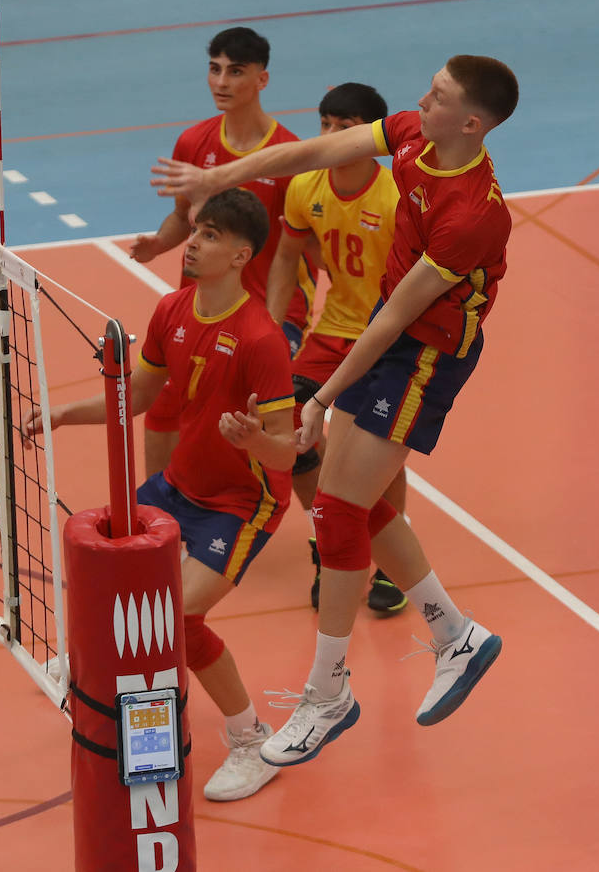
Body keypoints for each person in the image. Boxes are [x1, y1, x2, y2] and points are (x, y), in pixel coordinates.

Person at [152, 55, 517, 765]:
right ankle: (454, 635)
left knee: (338, 508)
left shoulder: (471, 215)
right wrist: (223, 176)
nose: (419, 99)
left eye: (436, 95)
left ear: (470, 122)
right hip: (396, 326)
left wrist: (318, 397)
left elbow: (397, 319)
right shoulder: (415, 133)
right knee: (348, 495)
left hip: (427, 351)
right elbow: (317, 150)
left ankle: (329, 692)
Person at [27, 188, 296, 803]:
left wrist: (256, 440)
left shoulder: (261, 339)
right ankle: (100, 676)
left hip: (239, 503)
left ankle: (252, 740)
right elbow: (139, 398)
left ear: (240, 254)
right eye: (195, 231)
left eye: (208, 236)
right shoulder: (173, 309)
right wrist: (65, 412)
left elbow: (289, 453)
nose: (193, 244)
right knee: (106, 580)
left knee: (178, 618)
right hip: (178, 485)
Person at [129, 27, 314, 480]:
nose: (221, 82)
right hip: (204, 306)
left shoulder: (288, 155)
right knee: (164, 405)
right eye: (214, 69)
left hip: (269, 313)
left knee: (278, 421)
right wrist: (158, 243)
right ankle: (159, 511)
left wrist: (271, 323)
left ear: (262, 79)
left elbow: (295, 250)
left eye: (235, 71)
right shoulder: (194, 142)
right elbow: (181, 217)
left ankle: (320, 517)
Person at [265, 83, 408, 614]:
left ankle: (390, 565)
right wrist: (273, 330)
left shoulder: (394, 197)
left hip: (389, 337)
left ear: (372, 136)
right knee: (289, 424)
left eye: (343, 127)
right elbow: (286, 257)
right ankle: (327, 540)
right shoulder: (306, 185)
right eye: (324, 125)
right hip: (333, 331)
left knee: (379, 448)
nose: (328, 137)